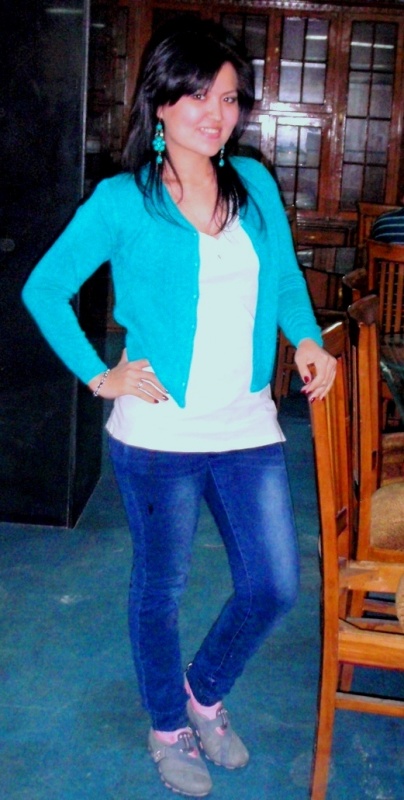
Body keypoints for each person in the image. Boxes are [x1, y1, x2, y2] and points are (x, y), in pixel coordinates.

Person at [22, 18, 336, 798]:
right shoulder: (122, 200)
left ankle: (203, 692)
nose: (215, 113)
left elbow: (285, 280)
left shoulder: (253, 184)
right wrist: (101, 376)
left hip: (246, 423)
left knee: (274, 585)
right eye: (197, 95)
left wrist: (306, 339)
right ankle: (168, 725)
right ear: (160, 103)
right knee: (159, 589)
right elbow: (44, 289)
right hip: (159, 432)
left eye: (228, 98)